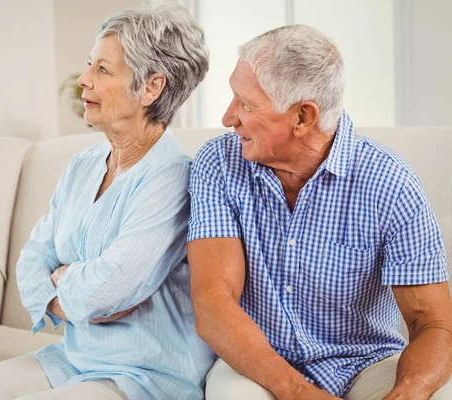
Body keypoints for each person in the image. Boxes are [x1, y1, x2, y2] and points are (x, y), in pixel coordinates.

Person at [0, 5, 214, 400]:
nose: (83, 80)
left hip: (146, 371)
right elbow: (31, 259)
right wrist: (66, 299)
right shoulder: (84, 165)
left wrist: (62, 280)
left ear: (151, 87)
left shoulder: (173, 176)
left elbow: (111, 288)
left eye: (103, 70)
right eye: (89, 65)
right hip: (76, 358)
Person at [187, 24, 452, 400]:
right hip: (256, 364)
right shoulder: (218, 164)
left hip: (367, 363)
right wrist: (295, 390)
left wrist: (408, 393)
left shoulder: (390, 183)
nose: (229, 118)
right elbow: (213, 301)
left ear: (302, 117)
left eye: (246, 104)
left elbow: (434, 324)